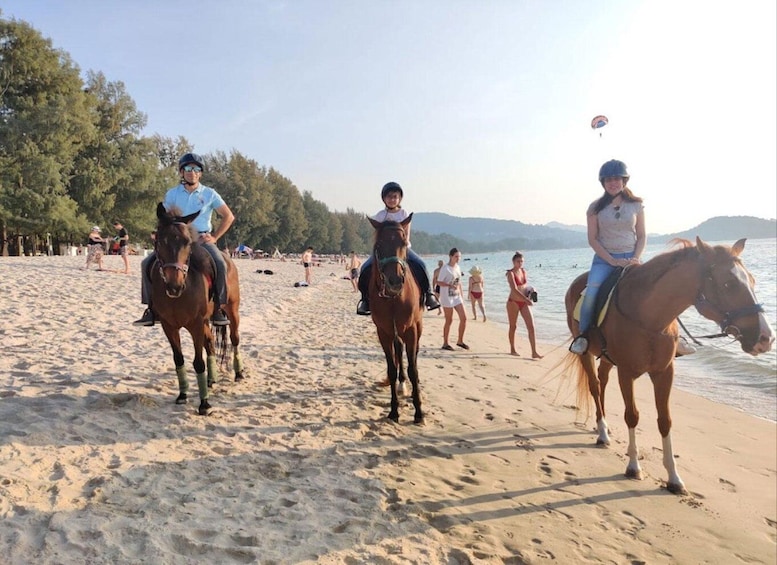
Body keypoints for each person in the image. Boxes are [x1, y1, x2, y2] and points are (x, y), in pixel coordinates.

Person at [133, 152, 235, 327]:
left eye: (196, 169)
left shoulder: (210, 194)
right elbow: (164, 217)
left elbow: (228, 216)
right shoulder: (172, 193)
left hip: (201, 240)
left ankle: (218, 308)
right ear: (181, 172)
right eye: (188, 168)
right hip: (178, 240)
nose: (192, 172)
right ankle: (151, 309)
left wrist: (215, 237)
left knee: (220, 263)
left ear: (200, 173)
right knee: (146, 264)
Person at [569, 159, 645, 355]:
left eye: (617, 179)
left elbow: (642, 235)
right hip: (605, 259)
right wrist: (612, 261)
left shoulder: (636, 205)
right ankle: (583, 336)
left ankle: (671, 337)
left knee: (655, 289)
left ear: (624, 181)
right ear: (603, 182)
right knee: (591, 293)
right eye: (609, 179)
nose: (613, 183)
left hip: (632, 257)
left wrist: (635, 257)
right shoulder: (595, 208)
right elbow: (593, 240)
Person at [356, 182, 441, 315]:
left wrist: (404, 243)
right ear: (384, 199)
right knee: (365, 268)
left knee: (421, 264)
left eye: (395, 197)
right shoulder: (380, 216)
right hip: (384, 252)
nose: (392, 199)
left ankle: (429, 295)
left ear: (399, 199)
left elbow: (406, 234)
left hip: (402, 249)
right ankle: (365, 300)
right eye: (389, 197)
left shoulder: (403, 214)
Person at [506, 251, 542, 358]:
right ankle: (512, 349)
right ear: (513, 262)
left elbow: (524, 287)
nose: (520, 263)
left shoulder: (523, 271)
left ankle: (534, 352)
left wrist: (531, 290)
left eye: (522, 261)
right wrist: (526, 300)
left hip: (524, 301)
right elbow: (514, 289)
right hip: (513, 302)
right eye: (518, 261)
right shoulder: (510, 273)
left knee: (531, 326)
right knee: (513, 326)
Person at [438, 248, 468, 350]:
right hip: (447, 296)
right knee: (449, 320)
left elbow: (459, 282)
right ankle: (445, 343)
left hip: (457, 296)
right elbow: (439, 282)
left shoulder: (458, 267)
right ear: (450, 256)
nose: (458, 258)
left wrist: (462, 295)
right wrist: (449, 285)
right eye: (456, 256)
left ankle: (460, 340)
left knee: (464, 318)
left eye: (459, 256)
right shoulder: (445, 268)